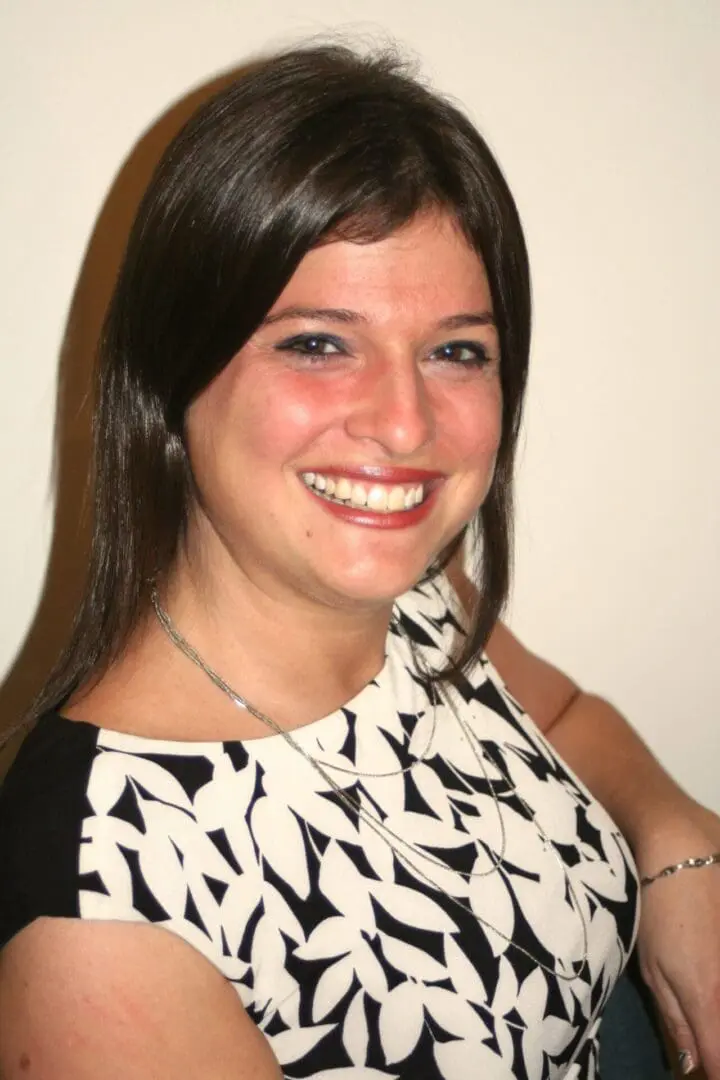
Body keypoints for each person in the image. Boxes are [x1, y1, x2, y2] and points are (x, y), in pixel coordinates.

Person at [0, 43, 718, 1080]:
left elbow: (565, 721)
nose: (404, 421)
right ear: (171, 371)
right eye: (319, 343)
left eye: (456, 350)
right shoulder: (99, 928)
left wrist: (680, 844)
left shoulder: (414, 596)